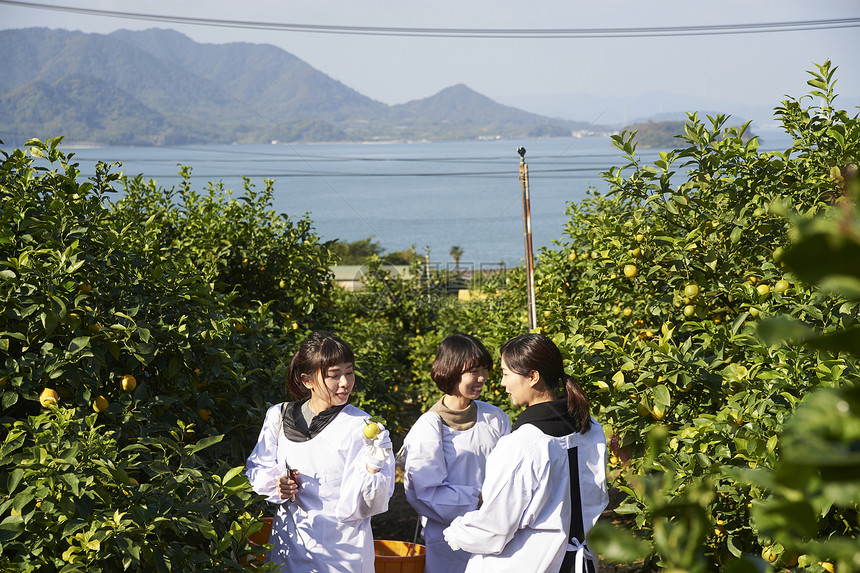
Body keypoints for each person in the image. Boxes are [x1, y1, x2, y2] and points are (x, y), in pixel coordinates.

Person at [443, 333, 608, 573]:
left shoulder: (521, 444)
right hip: (578, 562)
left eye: (506, 374)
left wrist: (455, 532)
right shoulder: (591, 428)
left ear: (532, 377)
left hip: (531, 562)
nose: (502, 384)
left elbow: (494, 528)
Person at [245, 331, 395, 572]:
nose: (346, 383)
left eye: (349, 372)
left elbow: (368, 506)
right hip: (289, 546)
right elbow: (257, 468)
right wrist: (278, 485)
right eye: (334, 376)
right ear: (307, 380)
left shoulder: (363, 427)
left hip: (341, 554)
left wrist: (374, 467)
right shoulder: (279, 416)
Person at [402, 333, 512, 573]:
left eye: (484, 369)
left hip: (496, 531)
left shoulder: (495, 418)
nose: (482, 378)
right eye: (473, 371)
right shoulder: (430, 426)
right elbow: (423, 492)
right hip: (450, 538)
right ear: (451, 371)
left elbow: (511, 469)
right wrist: (478, 499)